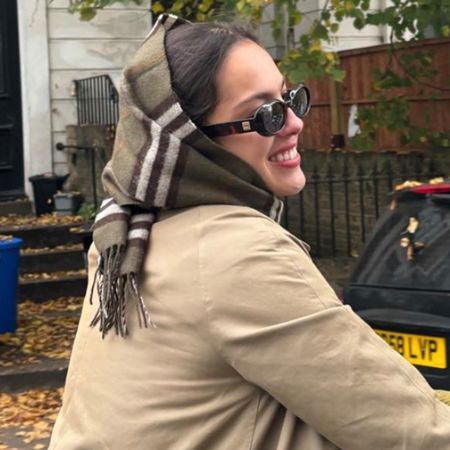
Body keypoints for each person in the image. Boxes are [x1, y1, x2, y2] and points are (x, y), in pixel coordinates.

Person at [49, 14, 450, 450]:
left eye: (289, 98)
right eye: (265, 115)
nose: (295, 123)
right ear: (195, 142)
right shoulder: (237, 252)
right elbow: (412, 431)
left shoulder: (128, 232)